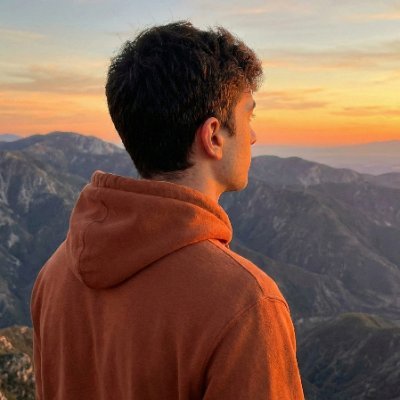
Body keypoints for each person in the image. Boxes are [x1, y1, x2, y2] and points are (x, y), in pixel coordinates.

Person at [30, 20, 304, 399]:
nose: (254, 135)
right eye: (248, 116)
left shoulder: (55, 274)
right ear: (213, 136)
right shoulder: (245, 304)